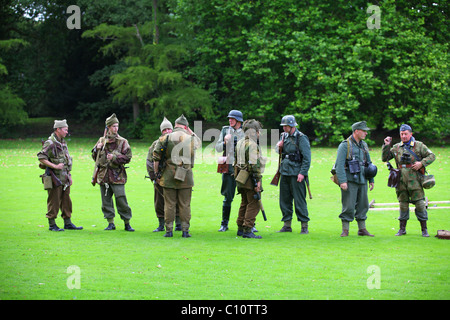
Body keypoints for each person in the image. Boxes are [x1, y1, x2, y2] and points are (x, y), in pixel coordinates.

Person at [382, 124, 436, 237]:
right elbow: (385, 158)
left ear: (411, 134)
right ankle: (402, 229)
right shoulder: (397, 147)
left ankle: (424, 230)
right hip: (400, 180)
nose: (403, 136)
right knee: (403, 204)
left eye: (406, 134)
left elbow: (432, 156)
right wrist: (386, 145)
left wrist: (421, 163)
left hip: (415, 179)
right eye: (401, 134)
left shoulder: (419, 145)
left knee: (420, 204)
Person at [153, 115, 201, 238]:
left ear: (174, 125)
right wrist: (189, 130)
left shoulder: (165, 138)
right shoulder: (190, 138)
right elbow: (199, 143)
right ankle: (185, 231)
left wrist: (157, 174)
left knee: (169, 204)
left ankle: (169, 230)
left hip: (168, 175)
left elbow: (156, 158)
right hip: (186, 176)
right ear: (185, 126)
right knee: (185, 204)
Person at [37, 119, 83, 231]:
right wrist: (54, 166)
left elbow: (66, 160)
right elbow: (41, 157)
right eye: (65, 129)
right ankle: (52, 224)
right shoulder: (50, 143)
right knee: (54, 201)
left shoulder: (62, 142)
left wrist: (69, 175)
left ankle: (68, 223)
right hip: (54, 177)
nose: (67, 132)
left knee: (66, 200)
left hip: (65, 177)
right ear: (58, 129)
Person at [92, 113, 134, 231]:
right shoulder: (101, 140)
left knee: (121, 199)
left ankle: (127, 222)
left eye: (117, 126)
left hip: (117, 176)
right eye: (113, 126)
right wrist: (97, 149)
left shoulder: (123, 142)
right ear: (108, 127)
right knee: (106, 201)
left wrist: (115, 158)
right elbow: (95, 158)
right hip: (103, 176)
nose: (116, 128)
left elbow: (128, 157)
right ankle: (110, 222)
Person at [335, 121, 376, 237]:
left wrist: (371, 179)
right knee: (348, 205)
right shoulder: (345, 145)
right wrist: (342, 181)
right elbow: (339, 165)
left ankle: (362, 229)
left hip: (362, 179)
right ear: (356, 131)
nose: (366, 133)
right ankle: (345, 229)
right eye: (363, 131)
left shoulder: (364, 145)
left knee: (363, 205)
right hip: (349, 180)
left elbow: (369, 163)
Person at [276, 115, 311, 234]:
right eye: (284, 126)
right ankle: (287, 225)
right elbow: (278, 151)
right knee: (284, 199)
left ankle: (304, 226)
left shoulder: (301, 138)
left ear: (292, 126)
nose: (284, 128)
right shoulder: (283, 136)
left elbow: (307, 158)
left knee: (299, 200)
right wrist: (278, 146)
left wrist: (302, 173)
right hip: (284, 172)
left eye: (286, 126)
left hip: (296, 173)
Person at [146, 117, 180, 232]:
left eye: (169, 129)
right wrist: (154, 176)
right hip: (160, 176)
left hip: (175, 176)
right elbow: (150, 161)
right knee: (159, 201)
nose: (167, 132)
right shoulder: (156, 144)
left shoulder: (179, 142)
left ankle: (179, 223)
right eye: (165, 130)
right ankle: (161, 224)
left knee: (177, 200)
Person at [234, 119, 265, 239]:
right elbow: (254, 165)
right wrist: (258, 181)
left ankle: (240, 227)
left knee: (244, 202)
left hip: (240, 177)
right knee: (254, 203)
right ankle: (247, 229)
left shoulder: (241, 142)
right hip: (249, 178)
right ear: (255, 132)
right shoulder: (252, 145)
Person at [215, 110, 245, 232]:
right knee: (228, 197)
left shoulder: (246, 131)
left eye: (232, 118)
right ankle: (224, 223)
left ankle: (249, 223)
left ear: (238, 121)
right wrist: (225, 141)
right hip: (229, 169)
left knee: (247, 197)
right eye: (229, 118)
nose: (230, 120)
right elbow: (217, 148)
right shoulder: (225, 130)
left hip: (243, 169)